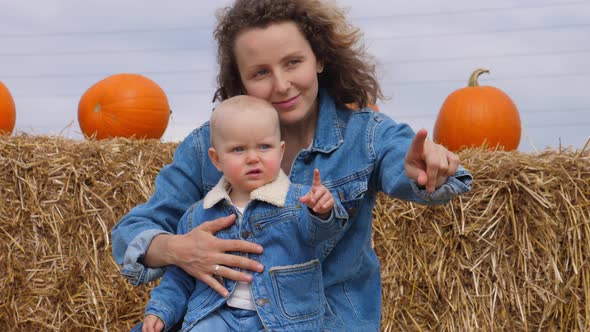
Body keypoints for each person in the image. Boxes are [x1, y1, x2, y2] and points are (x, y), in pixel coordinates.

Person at [112, 0, 473, 330]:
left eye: (292, 63)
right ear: (240, 82)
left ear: (318, 58)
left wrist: (424, 172)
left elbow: (409, 166)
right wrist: (178, 250)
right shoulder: (206, 146)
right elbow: (132, 232)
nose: (282, 85)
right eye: (260, 73)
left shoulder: (366, 135)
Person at [140, 95, 348, 332]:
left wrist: (322, 211)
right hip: (217, 313)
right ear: (216, 160)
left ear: (280, 152)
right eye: (238, 149)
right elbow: (180, 275)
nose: (253, 157)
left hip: (283, 319)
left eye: (264, 147)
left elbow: (323, 233)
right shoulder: (198, 216)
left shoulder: (299, 202)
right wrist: (160, 311)